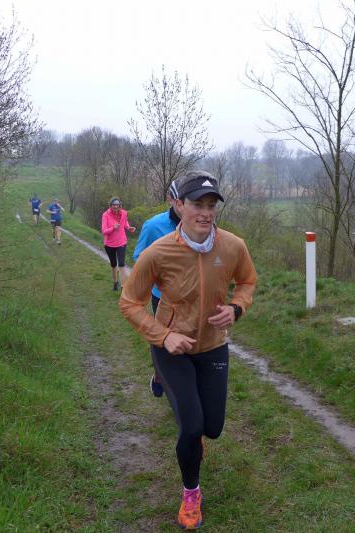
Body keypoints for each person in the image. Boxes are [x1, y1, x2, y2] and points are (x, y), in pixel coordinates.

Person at [119, 170, 257, 530]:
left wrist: (237, 308)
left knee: (212, 428)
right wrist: (163, 336)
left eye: (211, 205)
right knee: (191, 426)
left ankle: (197, 439)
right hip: (172, 349)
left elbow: (247, 281)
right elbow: (130, 302)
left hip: (213, 346)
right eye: (198, 204)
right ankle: (191, 493)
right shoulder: (158, 252)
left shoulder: (233, 246)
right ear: (179, 205)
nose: (205, 213)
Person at [133, 179, 181, 398]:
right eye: (180, 200)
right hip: (162, 297)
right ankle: (160, 375)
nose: (185, 205)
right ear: (171, 199)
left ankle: (184, 391)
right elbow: (139, 257)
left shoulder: (202, 226)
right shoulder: (153, 226)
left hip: (194, 298)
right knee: (164, 341)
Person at [101, 197, 135, 291]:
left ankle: (124, 287)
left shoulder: (124, 213)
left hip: (121, 242)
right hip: (109, 244)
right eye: (114, 205)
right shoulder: (105, 215)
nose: (116, 207)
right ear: (110, 205)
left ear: (120, 205)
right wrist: (113, 228)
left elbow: (125, 222)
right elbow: (104, 231)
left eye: (117, 205)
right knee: (113, 264)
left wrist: (128, 227)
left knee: (121, 264)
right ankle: (115, 282)